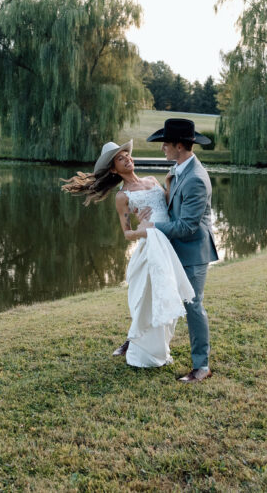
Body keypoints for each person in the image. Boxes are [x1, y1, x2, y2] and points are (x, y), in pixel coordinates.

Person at [62, 140, 195, 369]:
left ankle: (147, 341)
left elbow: (169, 208)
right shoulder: (122, 197)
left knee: (166, 294)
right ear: (114, 169)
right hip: (149, 247)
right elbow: (127, 234)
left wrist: (169, 183)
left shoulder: (153, 181)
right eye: (120, 158)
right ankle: (139, 345)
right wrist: (142, 229)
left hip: (168, 243)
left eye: (127, 155)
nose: (127, 159)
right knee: (148, 299)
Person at [137, 118, 219, 383]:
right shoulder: (177, 170)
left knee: (193, 306)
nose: (162, 148)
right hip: (175, 249)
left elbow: (187, 227)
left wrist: (154, 228)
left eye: (166, 143)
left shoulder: (196, 179)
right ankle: (145, 345)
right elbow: (171, 207)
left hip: (193, 251)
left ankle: (202, 367)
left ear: (180, 146)